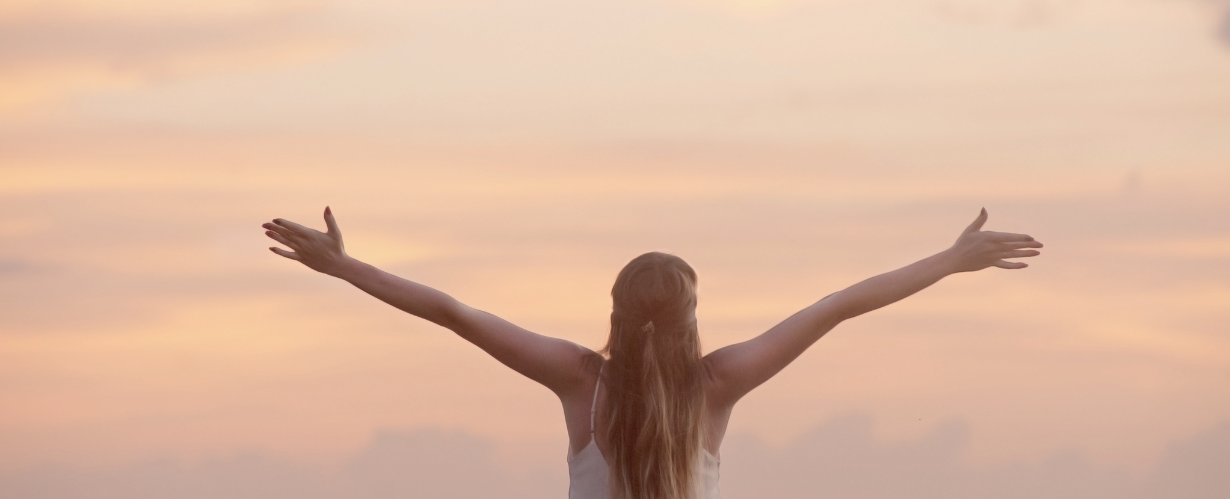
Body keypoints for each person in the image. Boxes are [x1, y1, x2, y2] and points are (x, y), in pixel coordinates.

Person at [262, 207, 1041, 499]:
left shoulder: (578, 380)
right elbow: (838, 306)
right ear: (691, 320)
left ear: (616, 311)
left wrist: (344, 267)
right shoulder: (721, 381)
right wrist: (948, 260)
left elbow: (452, 312)